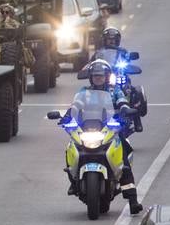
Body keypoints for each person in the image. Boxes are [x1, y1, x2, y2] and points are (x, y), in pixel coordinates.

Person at [60, 59, 143, 215]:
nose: (98, 78)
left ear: (107, 76)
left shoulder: (115, 90)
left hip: (109, 128)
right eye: (95, 76)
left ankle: (133, 201)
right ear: (91, 77)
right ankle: (73, 178)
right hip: (87, 127)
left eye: (101, 76)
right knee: (71, 146)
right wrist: (67, 116)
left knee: (124, 156)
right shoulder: (84, 91)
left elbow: (122, 102)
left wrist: (125, 110)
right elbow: (76, 105)